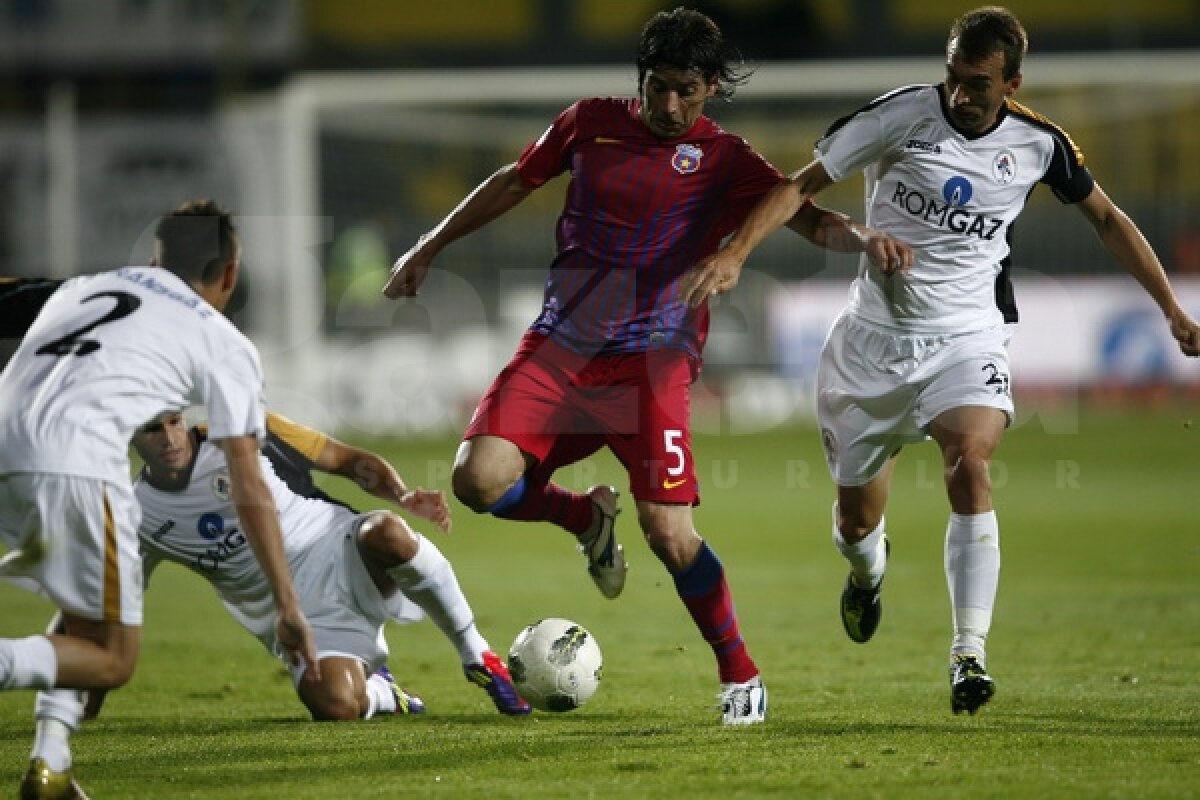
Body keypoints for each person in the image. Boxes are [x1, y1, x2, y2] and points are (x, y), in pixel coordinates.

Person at [382, 6, 909, 725]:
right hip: (561, 346)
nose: (667, 105)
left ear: (712, 87)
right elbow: (514, 179)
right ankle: (584, 518)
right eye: (657, 86)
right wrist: (430, 245)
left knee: (668, 533)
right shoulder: (587, 123)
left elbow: (808, 216)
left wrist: (862, 235)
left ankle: (741, 675)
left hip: (653, 361)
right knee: (476, 481)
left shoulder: (726, 158)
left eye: (684, 90)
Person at [680, 6, 1200, 715]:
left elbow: (1107, 219)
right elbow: (801, 185)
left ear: (1012, 81)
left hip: (968, 338)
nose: (960, 95)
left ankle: (968, 655)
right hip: (870, 347)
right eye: (953, 78)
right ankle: (868, 574)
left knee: (971, 461)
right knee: (858, 524)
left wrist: (1171, 309)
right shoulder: (901, 116)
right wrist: (737, 253)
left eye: (977, 84)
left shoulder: (1040, 145)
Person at [0, 200, 319, 799]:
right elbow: (249, 485)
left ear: (154, 259)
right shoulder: (221, 340)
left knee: (84, 626)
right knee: (113, 661)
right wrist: (287, 601)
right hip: (75, 462)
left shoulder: (94, 287)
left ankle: (50, 763)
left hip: (5, 445)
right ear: (228, 274)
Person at [82, 409, 528, 722]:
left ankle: (478, 655)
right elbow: (112, 607)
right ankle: (385, 694)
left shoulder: (244, 428)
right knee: (335, 706)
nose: (170, 438)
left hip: (339, 547)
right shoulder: (136, 515)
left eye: (174, 422)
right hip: (301, 616)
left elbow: (347, 460)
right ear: (130, 435)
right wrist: (88, 694)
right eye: (152, 429)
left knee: (388, 533)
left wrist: (402, 497)